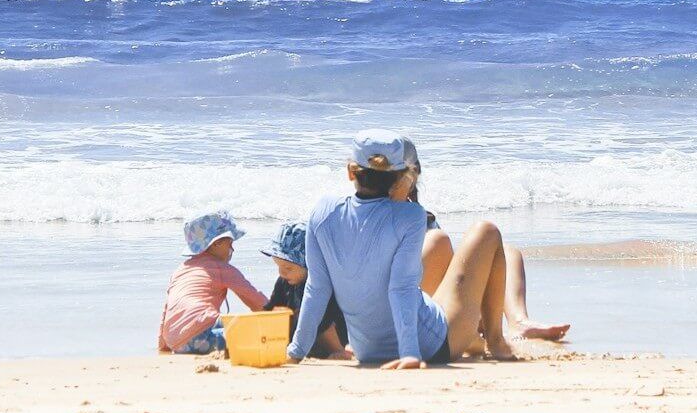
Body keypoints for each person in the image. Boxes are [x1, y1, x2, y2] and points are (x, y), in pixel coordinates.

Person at [286, 131, 517, 368]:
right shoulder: (410, 216)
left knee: (435, 252)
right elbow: (401, 287)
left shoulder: (323, 212)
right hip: (433, 346)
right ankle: (496, 341)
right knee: (486, 231)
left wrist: (295, 351)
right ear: (400, 176)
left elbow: (317, 287)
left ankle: (475, 341)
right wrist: (410, 354)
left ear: (350, 172)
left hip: (368, 351)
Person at [403, 142, 570, 342]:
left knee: (508, 253)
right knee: (442, 243)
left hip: (434, 297)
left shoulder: (423, 216)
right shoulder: (388, 218)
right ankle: (485, 328)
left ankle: (519, 322)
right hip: (415, 306)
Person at [157, 212, 269, 355]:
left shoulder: (181, 270)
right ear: (216, 243)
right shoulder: (220, 268)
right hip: (201, 335)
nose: (232, 249)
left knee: (227, 323)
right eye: (230, 244)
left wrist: (163, 346)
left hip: (175, 340)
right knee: (254, 330)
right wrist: (278, 317)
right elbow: (255, 300)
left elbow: (166, 310)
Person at [261, 222, 350, 359]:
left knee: (314, 311)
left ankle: (338, 350)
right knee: (279, 315)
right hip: (304, 337)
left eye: (288, 268)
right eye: (278, 266)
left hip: (334, 333)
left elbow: (325, 318)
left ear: (310, 264)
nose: (282, 273)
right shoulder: (284, 282)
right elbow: (269, 310)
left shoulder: (319, 286)